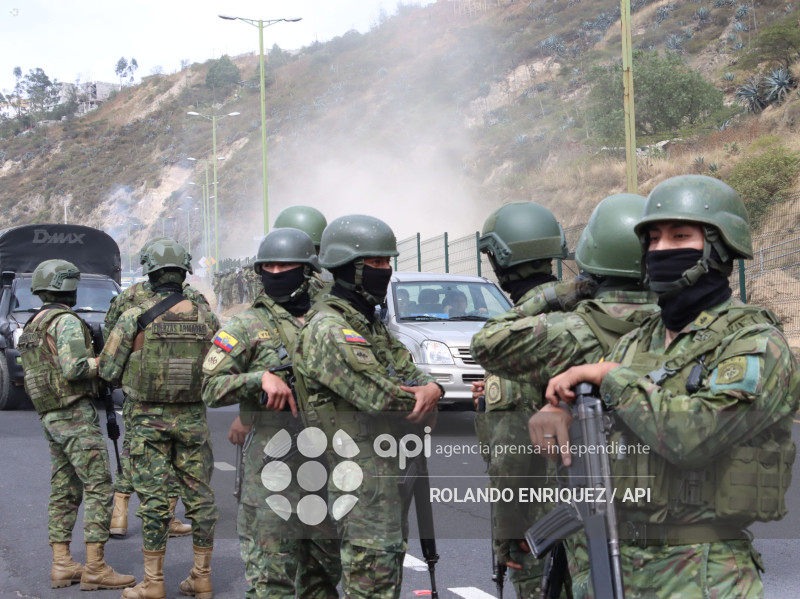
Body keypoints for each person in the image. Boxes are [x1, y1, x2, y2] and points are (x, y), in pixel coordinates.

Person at [534, 175, 799, 599]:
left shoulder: (755, 345)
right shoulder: (637, 340)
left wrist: (609, 377)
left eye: (679, 236)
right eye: (652, 239)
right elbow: (596, 417)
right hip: (616, 564)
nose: (660, 250)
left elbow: (694, 436)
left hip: (700, 573)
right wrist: (558, 413)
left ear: (718, 248)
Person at [471, 194, 659, 597]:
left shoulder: (557, 330)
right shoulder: (671, 326)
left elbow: (510, 455)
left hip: (554, 514)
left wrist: (508, 530)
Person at [293, 214, 444, 599]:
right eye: (376, 263)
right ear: (350, 268)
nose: (386, 270)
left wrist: (434, 387)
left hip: (380, 466)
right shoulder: (329, 327)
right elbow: (381, 397)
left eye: (387, 262)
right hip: (353, 471)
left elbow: (411, 373)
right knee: (372, 580)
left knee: (385, 569)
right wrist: (425, 394)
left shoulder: (368, 322)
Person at [202, 228, 341, 599]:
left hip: (329, 466)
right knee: (271, 580)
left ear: (307, 270)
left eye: (286, 266)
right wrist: (257, 379)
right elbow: (209, 387)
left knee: (325, 576)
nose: (277, 273)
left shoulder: (332, 318)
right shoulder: (248, 325)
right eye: (270, 266)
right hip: (272, 470)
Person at [99, 239, 220, 599]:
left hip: (147, 421)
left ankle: (152, 584)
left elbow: (107, 369)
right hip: (193, 419)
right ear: (184, 273)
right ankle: (202, 577)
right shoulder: (207, 318)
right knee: (200, 499)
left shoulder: (133, 316)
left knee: (153, 500)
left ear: (150, 272)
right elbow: (220, 366)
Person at [469, 201, 569, 598]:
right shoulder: (587, 316)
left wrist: (505, 532)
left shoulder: (519, 337)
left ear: (499, 259)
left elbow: (509, 459)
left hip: (541, 525)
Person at [18, 259, 135, 591]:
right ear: (70, 287)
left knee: (64, 489)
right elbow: (75, 369)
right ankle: (96, 566)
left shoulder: (33, 325)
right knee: (99, 486)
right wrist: (107, 361)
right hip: (74, 414)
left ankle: (62, 564)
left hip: (50, 415)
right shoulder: (66, 322)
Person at [105, 237, 206, 540]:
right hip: (187, 395)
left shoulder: (129, 298)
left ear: (149, 268)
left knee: (135, 452)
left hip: (143, 392)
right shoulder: (195, 299)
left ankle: (119, 516)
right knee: (177, 460)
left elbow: (113, 333)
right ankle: (170, 517)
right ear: (184, 268)